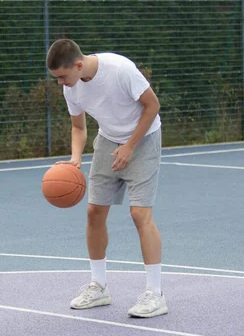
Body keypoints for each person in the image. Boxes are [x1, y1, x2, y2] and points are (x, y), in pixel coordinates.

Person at [46, 38, 167, 318]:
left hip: (143, 140)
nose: (61, 83)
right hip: (107, 141)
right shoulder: (72, 88)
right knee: (94, 212)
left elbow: (152, 106)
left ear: (78, 64)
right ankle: (99, 286)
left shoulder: (119, 69)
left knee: (139, 214)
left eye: (62, 76)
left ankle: (155, 293)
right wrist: (76, 158)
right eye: (57, 78)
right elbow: (78, 127)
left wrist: (130, 146)